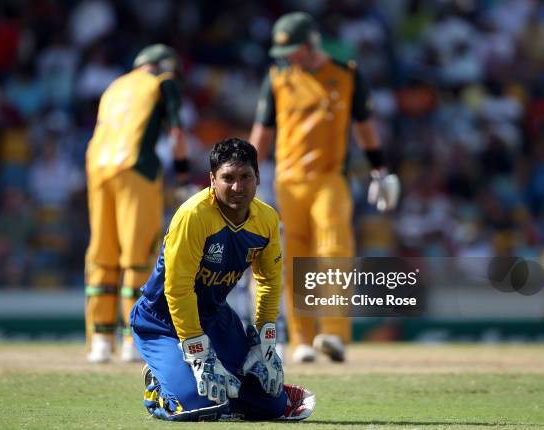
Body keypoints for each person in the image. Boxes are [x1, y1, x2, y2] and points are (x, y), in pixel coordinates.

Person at [250, 12, 400, 363]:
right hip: (287, 181)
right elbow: (262, 133)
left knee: (333, 246)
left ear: (309, 44)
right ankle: (302, 338)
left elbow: (365, 126)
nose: (286, 57)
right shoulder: (277, 78)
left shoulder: (346, 75)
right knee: (292, 258)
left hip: (331, 178)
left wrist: (380, 170)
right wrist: (246, 174)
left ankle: (332, 333)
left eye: (291, 50)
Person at [130, 138, 315, 421]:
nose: (238, 187)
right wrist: (198, 352)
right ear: (212, 179)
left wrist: (265, 340)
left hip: (215, 317)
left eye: (245, 177)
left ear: (258, 177)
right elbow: (178, 289)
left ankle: (200, 376)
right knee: (199, 406)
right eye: (228, 178)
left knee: (272, 407)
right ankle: (158, 387)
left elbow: (268, 280)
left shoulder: (265, 218)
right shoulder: (193, 216)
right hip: (161, 320)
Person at [85, 44, 189, 363]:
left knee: (103, 254)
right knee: (138, 254)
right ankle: (134, 338)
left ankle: (100, 340)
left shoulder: (114, 86)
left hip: (97, 167)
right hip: (135, 168)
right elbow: (176, 132)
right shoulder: (162, 82)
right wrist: (183, 177)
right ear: (162, 65)